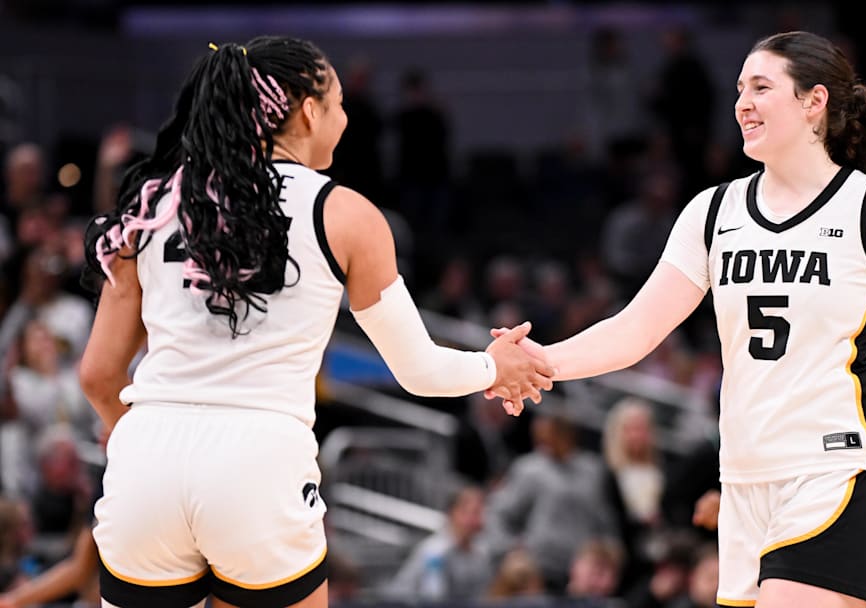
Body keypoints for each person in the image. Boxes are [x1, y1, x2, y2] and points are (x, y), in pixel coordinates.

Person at [491, 30, 866, 608]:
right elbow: (636, 329)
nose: (742, 102)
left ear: (813, 102)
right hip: (745, 482)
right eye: (740, 88)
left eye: (762, 87)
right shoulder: (711, 213)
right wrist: (541, 361)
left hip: (841, 470)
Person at [79, 36, 553, 608]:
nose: (346, 119)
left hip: (147, 457)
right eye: (340, 105)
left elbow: (99, 377)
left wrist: (132, 437)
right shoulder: (345, 212)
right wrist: (492, 365)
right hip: (258, 463)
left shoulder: (153, 203)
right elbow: (419, 370)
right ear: (309, 110)